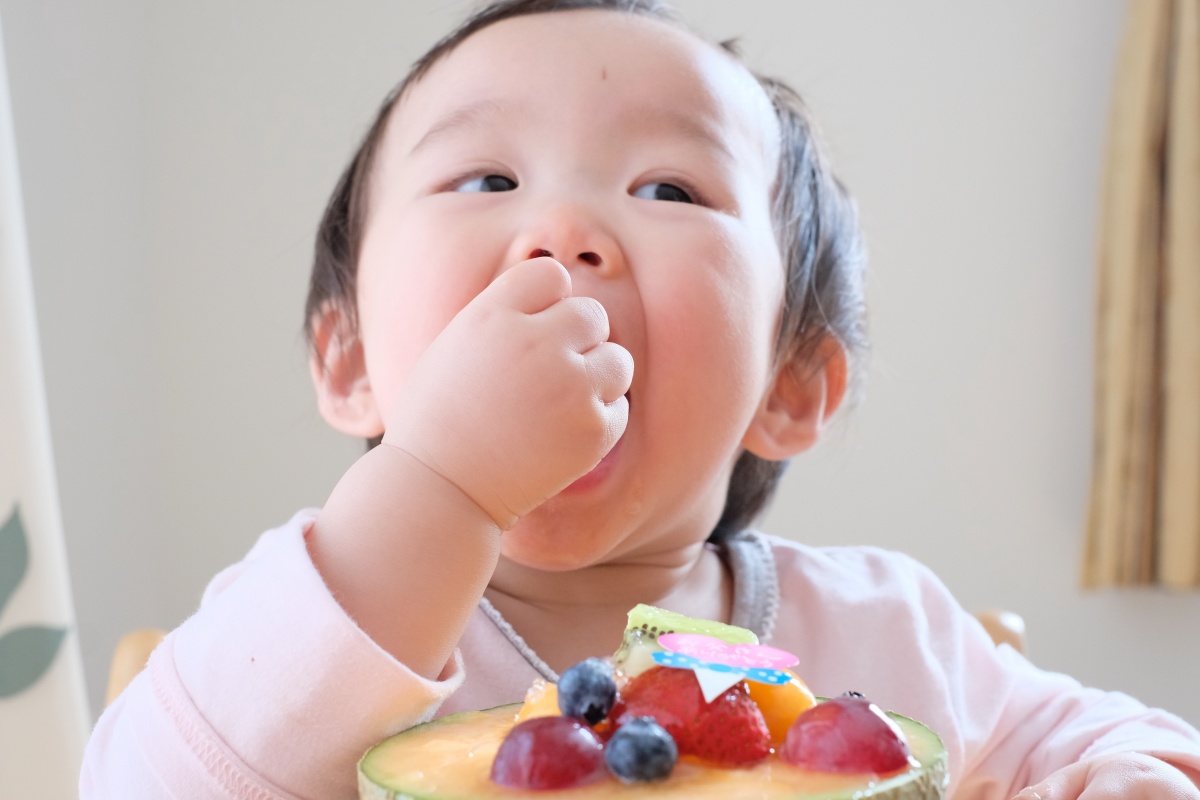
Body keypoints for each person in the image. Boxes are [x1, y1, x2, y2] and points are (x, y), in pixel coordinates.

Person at [81, 1, 1200, 797]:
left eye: (670, 186)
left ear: (793, 380)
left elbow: (1131, 738)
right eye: (487, 178)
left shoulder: (888, 632)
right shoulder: (300, 622)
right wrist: (436, 486)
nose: (563, 230)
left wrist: (1126, 774)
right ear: (352, 357)